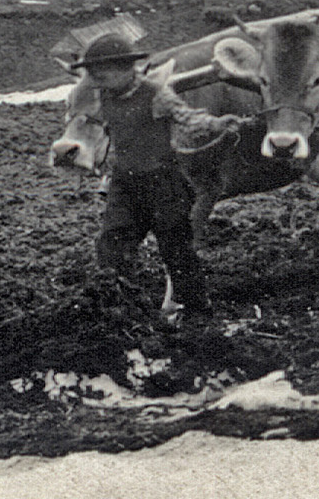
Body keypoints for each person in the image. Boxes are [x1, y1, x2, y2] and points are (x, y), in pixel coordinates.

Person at [59, 20, 216, 320]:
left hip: (164, 183)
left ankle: (197, 312)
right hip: (125, 183)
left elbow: (187, 119)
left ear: (125, 69)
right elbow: (88, 122)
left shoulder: (156, 94)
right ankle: (119, 308)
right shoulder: (103, 95)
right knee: (111, 244)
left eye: (101, 72)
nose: (96, 78)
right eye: (94, 73)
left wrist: (219, 124)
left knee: (176, 250)